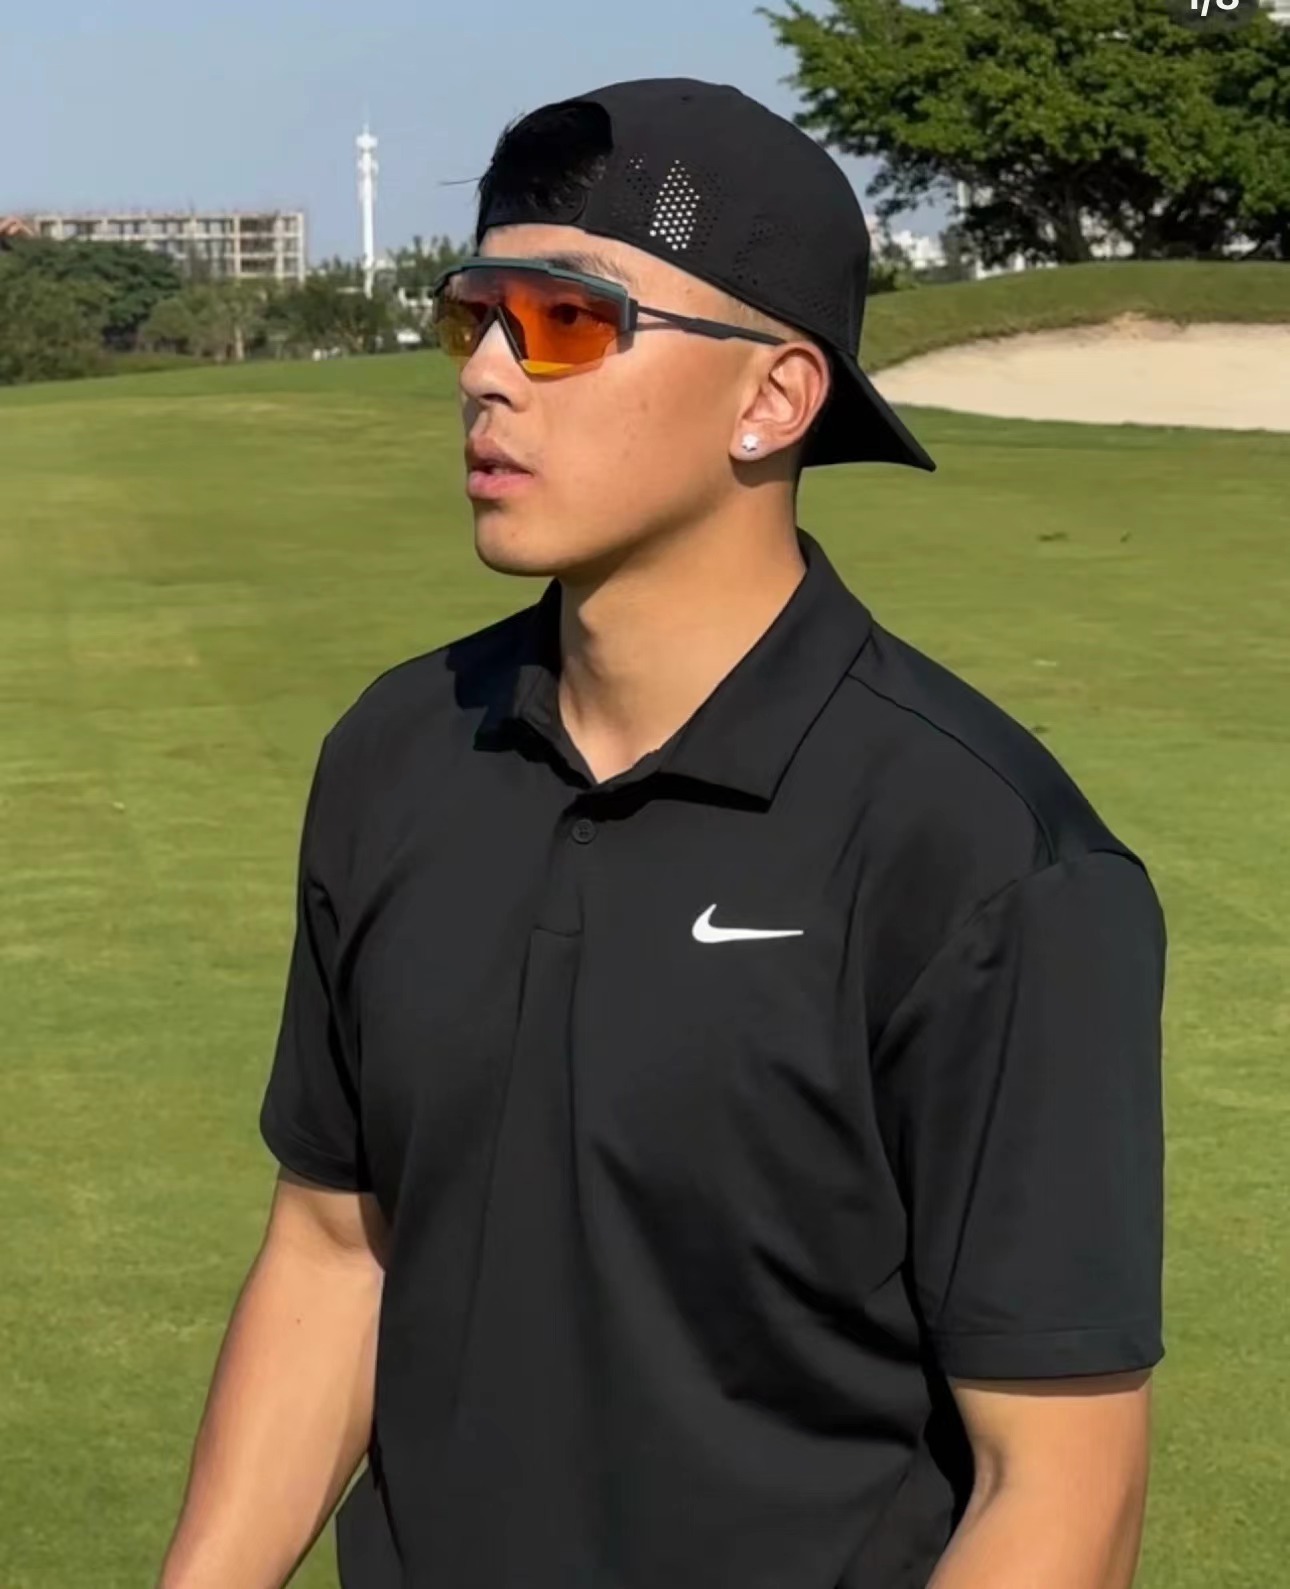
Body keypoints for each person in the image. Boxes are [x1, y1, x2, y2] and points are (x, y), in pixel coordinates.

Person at [158, 79, 1166, 1589]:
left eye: (565, 322)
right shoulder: (396, 751)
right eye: (474, 315)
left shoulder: (983, 855)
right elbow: (334, 1251)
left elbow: (1062, 1480)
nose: (485, 373)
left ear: (775, 397)